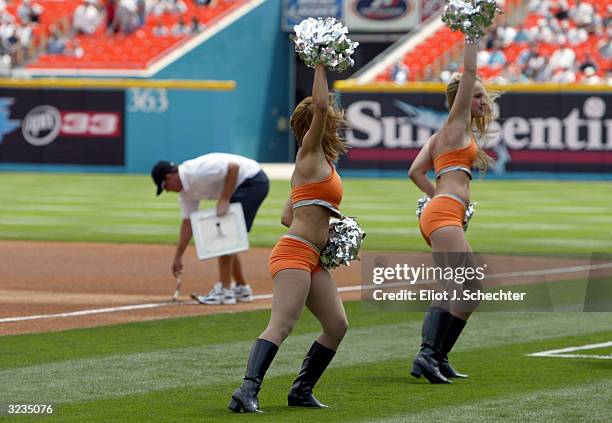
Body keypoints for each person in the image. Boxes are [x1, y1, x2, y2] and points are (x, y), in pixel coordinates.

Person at [228, 63, 348, 413]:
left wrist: (329, 226)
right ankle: (246, 391)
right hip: (295, 253)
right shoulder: (308, 155)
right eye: (326, 118)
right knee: (282, 324)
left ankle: (300, 390)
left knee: (337, 325)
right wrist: (322, 62)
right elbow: (323, 106)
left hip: (311, 255)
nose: (333, 120)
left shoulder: (317, 165)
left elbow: (286, 215)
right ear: (313, 125)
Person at [408, 33, 497, 384]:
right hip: (444, 214)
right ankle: (427, 355)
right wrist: (473, 33)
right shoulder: (455, 123)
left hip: (443, 212)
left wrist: (438, 198)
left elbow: (414, 171)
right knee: (453, 285)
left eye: (483, 97)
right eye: (476, 96)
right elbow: (470, 68)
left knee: (472, 288)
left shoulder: (442, 136)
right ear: (459, 100)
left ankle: (438, 355)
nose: (482, 102)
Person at [151, 153, 269, 305]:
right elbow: (188, 222)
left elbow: (233, 167)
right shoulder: (186, 193)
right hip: (244, 185)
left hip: (252, 181)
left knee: (225, 236)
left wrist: (224, 200)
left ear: (169, 177)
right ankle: (241, 288)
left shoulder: (197, 171)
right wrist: (178, 256)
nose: (167, 191)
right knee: (229, 239)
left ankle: (225, 291)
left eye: (164, 186)